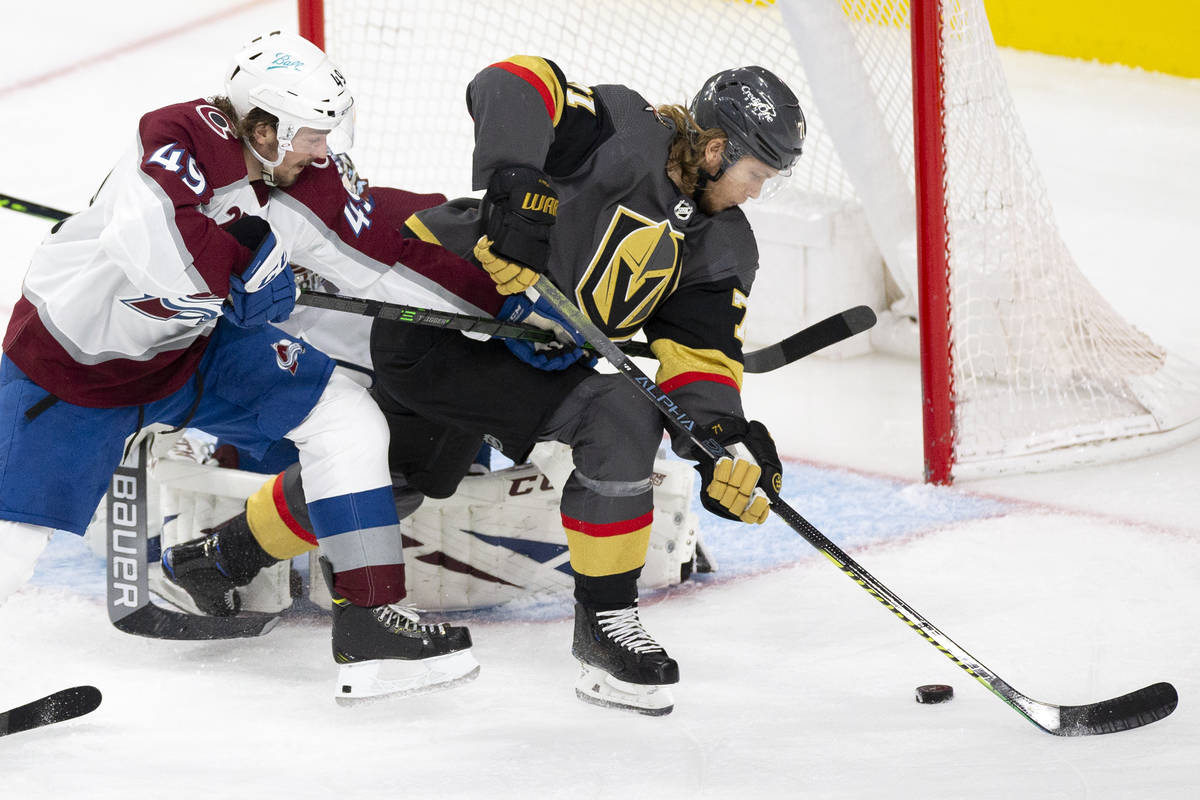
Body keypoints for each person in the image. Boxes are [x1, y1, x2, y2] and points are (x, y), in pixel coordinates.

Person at [163, 56, 804, 716]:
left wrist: (725, 438)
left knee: (391, 478)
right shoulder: (619, 127)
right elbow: (514, 81)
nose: (756, 192)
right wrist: (517, 182)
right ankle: (607, 626)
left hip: (524, 362)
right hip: (442, 327)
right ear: (718, 149)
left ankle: (215, 561)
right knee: (618, 412)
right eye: (756, 175)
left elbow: (701, 356)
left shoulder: (724, 246)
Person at [0, 30, 510, 701]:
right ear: (263, 127)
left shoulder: (306, 176)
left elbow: (388, 262)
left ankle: (370, 630)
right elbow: (158, 248)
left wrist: (507, 314)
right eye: (310, 134)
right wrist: (244, 267)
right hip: (75, 363)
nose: (324, 151)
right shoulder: (179, 133)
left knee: (345, 419)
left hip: (192, 354)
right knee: (16, 534)